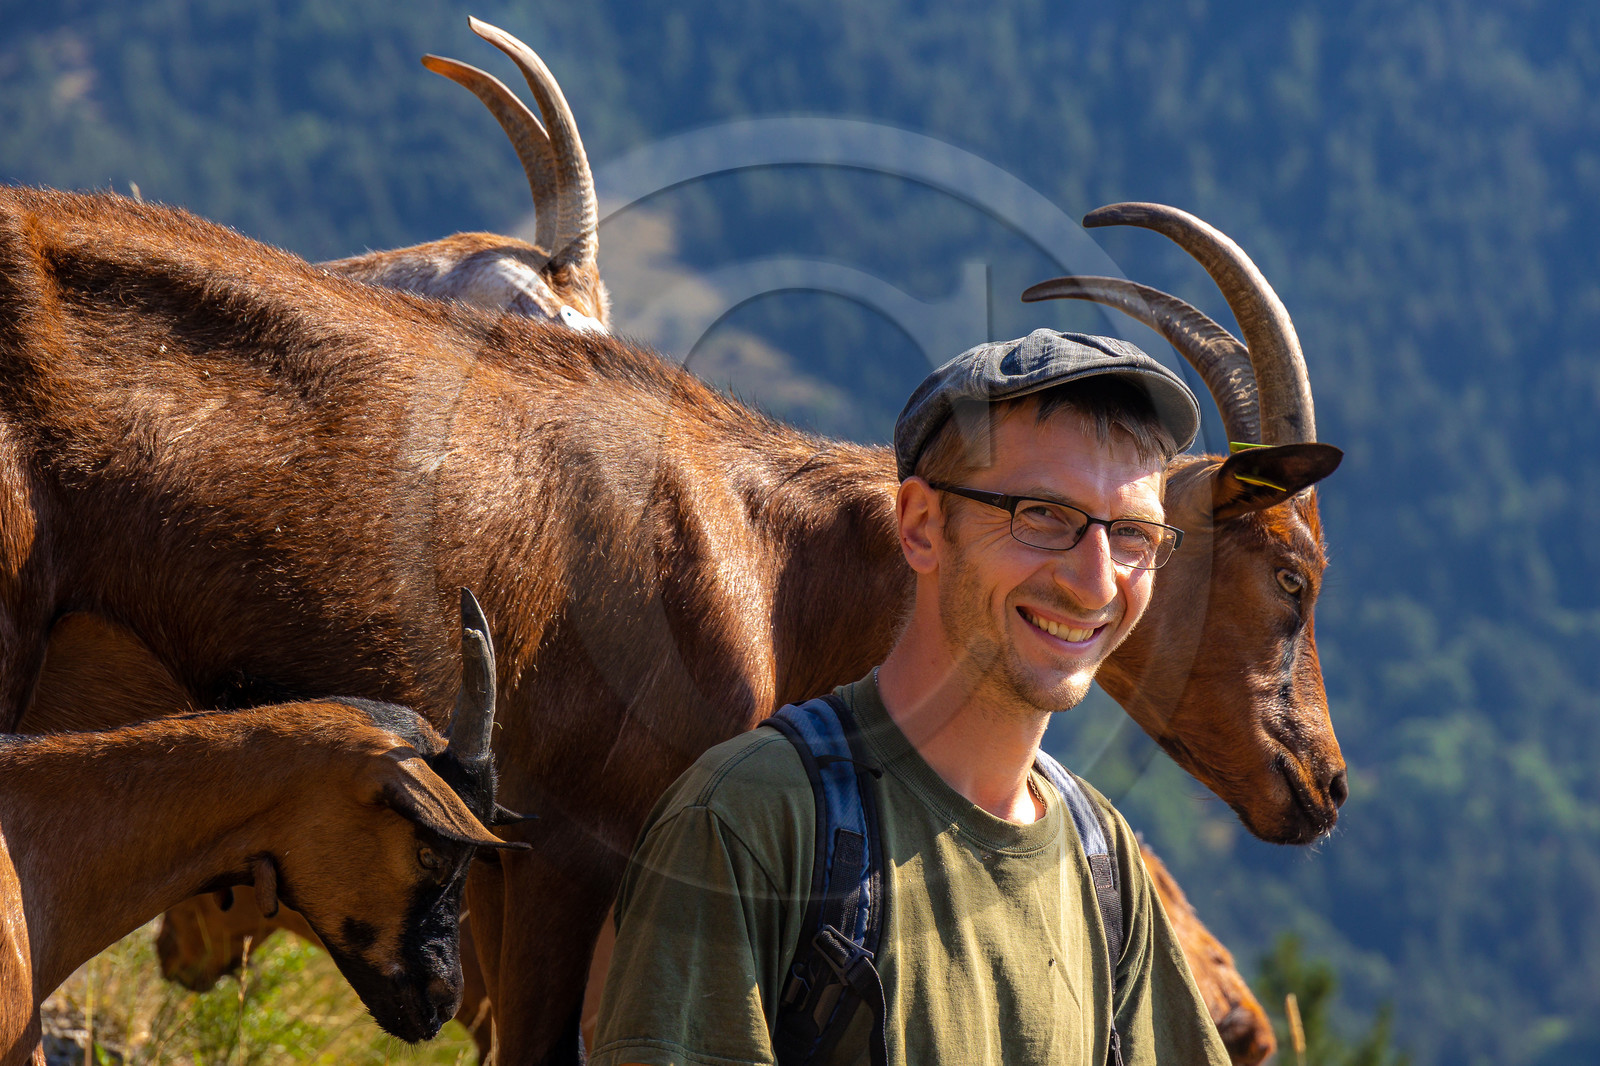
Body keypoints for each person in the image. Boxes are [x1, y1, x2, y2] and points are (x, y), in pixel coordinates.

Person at [591, 329, 1231, 1066]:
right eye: (1043, 515)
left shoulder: (1102, 861)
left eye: (1133, 534)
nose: (1096, 583)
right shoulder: (749, 822)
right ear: (921, 526)